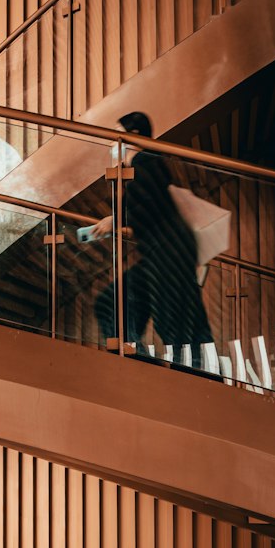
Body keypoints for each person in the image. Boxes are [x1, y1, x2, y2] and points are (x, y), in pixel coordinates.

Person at [89, 111, 214, 366]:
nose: (112, 144)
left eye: (116, 136)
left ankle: (191, 373)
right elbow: (150, 211)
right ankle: (140, 357)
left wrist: (117, 220)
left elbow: (148, 206)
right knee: (115, 301)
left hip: (168, 254)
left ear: (132, 136)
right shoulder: (144, 167)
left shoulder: (147, 162)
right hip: (163, 253)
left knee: (173, 320)